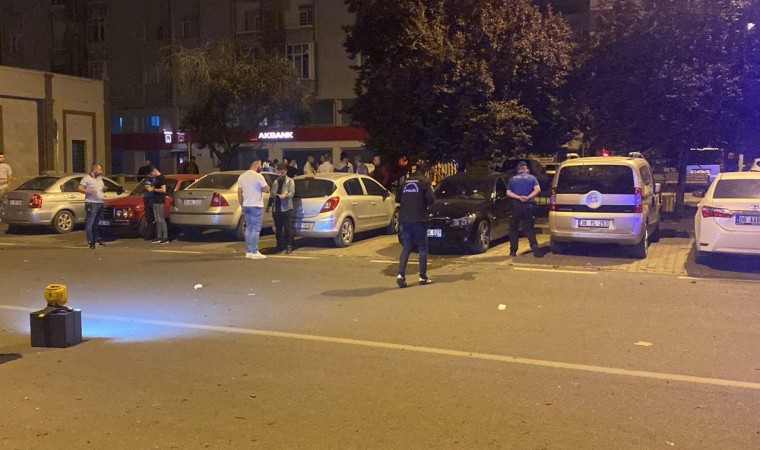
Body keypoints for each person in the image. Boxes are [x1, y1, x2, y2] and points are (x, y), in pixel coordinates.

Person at [396, 163, 436, 288]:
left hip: (405, 220)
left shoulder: (406, 182)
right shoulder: (425, 182)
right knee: (422, 248)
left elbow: (397, 198)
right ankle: (422, 277)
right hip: (419, 220)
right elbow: (431, 199)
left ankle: (400, 275)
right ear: (425, 172)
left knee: (406, 248)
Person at [506, 161, 543, 258]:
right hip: (528, 206)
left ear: (518, 170)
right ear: (526, 169)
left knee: (513, 229)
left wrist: (518, 197)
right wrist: (528, 197)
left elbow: (508, 192)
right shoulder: (532, 178)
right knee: (529, 228)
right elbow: (538, 189)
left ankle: (513, 251)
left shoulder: (512, 179)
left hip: (516, 206)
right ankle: (535, 247)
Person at [237, 159, 271, 259]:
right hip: (256, 205)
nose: (261, 166)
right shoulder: (258, 176)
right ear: (256, 164)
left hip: (246, 205)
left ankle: (248, 251)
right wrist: (262, 188)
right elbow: (267, 189)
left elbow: (239, 193)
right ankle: (254, 251)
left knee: (248, 228)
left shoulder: (242, 176)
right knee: (256, 229)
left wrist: (242, 205)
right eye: (260, 164)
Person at [266, 163, 295, 254]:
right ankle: (279, 245)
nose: (280, 173)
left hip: (286, 208)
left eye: (282, 171)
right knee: (278, 228)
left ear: (286, 171)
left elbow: (292, 193)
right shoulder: (275, 182)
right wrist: (269, 205)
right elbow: (272, 194)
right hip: (276, 208)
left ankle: (289, 245)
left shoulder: (290, 181)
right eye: (279, 171)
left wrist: (285, 195)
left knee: (287, 228)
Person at [77, 163, 107, 249]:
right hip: (91, 203)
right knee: (90, 222)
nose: (101, 171)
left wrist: (104, 188)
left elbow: (101, 188)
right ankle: (90, 241)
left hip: (99, 202)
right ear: (94, 169)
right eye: (100, 169)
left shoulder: (99, 178)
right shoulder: (86, 178)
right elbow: (79, 188)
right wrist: (89, 191)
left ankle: (96, 240)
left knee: (96, 223)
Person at [146, 166, 169, 244]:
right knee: (157, 219)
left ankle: (165, 237)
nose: (152, 176)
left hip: (159, 200)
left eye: (151, 174)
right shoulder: (156, 178)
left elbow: (163, 190)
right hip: (155, 200)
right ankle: (159, 236)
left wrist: (153, 189)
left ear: (154, 171)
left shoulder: (161, 178)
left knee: (161, 218)